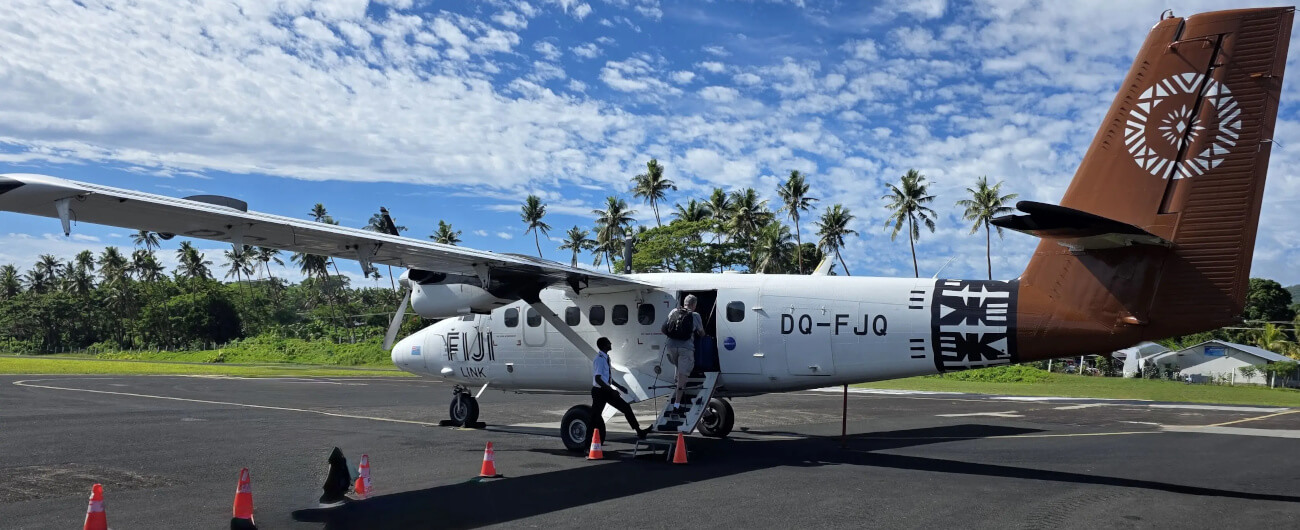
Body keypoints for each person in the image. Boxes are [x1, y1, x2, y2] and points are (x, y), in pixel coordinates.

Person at [591, 337, 649, 440]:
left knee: (626, 407)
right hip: (599, 392)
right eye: (609, 343)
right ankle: (587, 444)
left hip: (605, 390)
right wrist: (612, 390)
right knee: (595, 417)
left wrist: (619, 387)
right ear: (604, 345)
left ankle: (639, 432)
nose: (611, 343)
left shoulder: (606, 358)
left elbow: (607, 378)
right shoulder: (599, 359)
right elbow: (598, 379)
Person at [662, 294, 705, 413]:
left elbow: (665, 328)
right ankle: (677, 404)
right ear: (694, 305)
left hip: (671, 347)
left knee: (678, 371)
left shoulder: (673, 311)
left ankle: (677, 390)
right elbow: (701, 333)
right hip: (685, 348)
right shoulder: (695, 315)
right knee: (682, 376)